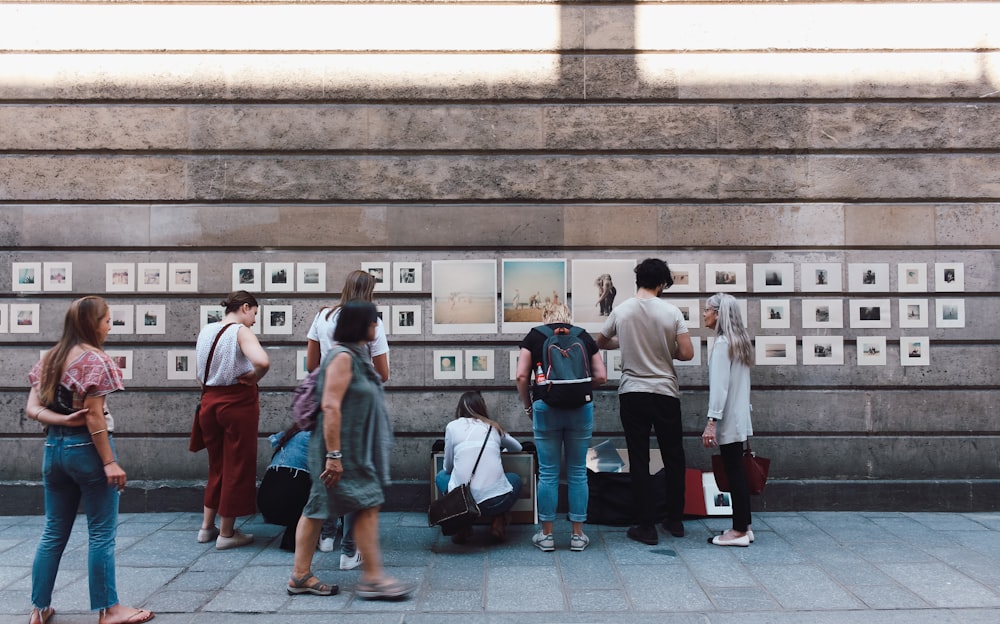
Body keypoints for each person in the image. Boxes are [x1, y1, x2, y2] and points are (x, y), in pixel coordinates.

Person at [24, 296, 154, 624]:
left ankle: (38, 609)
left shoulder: (50, 358)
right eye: (107, 320)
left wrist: (63, 421)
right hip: (88, 451)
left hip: (53, 450)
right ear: (92, 324)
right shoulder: (96, 359)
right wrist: (110, 462)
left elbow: (32, 409)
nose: (110, 327)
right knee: (100, 533)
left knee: (53, 531)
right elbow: (95, 417)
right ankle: (109, 610)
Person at [289, 301, 413, 600]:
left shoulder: (357, 357)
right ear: (361, 325)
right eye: (373, 323)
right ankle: (369, 578)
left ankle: (304, 575)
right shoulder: (342, 357)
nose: (376, 327)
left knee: (341, 506)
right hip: (338, 449)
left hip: (352, 449)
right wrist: (333, 457)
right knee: (331, 506)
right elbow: (330, 405)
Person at [596, 258, 694, 545]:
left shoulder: (621, 310)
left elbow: (600, 343)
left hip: (633, 391)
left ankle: (645, 526)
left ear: (638, 279)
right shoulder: (671, 311)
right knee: (673, 455)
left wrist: (625, 343)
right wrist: (665, 350)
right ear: (662, 283)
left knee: (638, 457)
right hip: (664, 391)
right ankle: (675, 520)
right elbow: (687, 353)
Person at [305, 269, 389, 569]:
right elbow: (384, 373)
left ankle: (327, 537)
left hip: (327, 403)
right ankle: (350, 550)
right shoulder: (371, 321)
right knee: (358, 476)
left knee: (330, 477)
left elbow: (311, 364)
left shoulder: (324, 316)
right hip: (357, 410)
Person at [516, 303, 606, 552]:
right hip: (580, 408)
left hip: (546, 407)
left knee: (548, 472)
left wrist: (528, 405)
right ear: (569, 317)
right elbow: (601, 376)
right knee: (577, 471)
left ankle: (547, 536)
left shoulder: (535, 336)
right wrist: (578, 390)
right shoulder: (583, 336)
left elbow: (522, 376)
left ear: (546, 317)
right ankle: (578, 536)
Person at [195, 291, 270, 550]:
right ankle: (226, 534)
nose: (254, 321)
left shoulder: (207, 330)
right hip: (236, 405)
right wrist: (255, 376)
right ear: (245, 307)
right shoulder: (239, 331)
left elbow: (199, 375)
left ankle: (207, 528)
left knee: (217, 465)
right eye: (254, 315)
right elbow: (262, 361)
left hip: (209, 403)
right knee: (237, 464)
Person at [701, 293, 755, 547]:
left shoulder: (723, 344)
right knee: (738, 472)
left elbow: (720, 388)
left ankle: (739, 531)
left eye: (707, 310)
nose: (704, 314)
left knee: (734, 473)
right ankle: (745, 525)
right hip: (739, 415)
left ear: (718, 313)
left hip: (727, 417)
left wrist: (711, 422)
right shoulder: (740, 342)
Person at [435, 391, 523, 544]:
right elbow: (518, 447)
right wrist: (501, 451)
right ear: (482, 406)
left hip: (463, 503)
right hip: (495, 503)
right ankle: (498, 520)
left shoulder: (452, 427)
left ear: (459, 408)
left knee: (441, 477)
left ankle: (463, 524)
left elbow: (448, 468)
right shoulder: (492, 427)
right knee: (515, 479)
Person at [257, 425, 312, 552]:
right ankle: (304, 534)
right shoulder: (317, 435)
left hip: (264, 503)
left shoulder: (292, 433)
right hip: (287, 503)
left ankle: (294, 532)